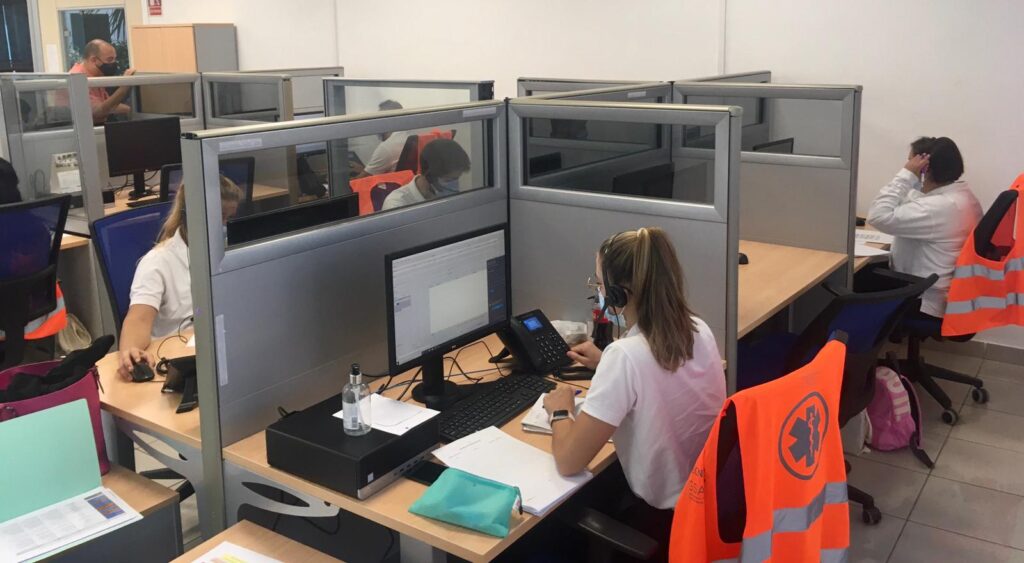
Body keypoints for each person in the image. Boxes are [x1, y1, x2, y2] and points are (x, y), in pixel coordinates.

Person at [542, 227, 726, 549]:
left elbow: (570, 461)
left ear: (619, 295)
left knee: (552, 523)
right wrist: (606, 363)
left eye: (600, 284)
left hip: (662, 522)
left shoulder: (625, 357)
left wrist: (560, 410)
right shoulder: (698, 329)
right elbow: (659, 372)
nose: (599, 291)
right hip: (703, 500)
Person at [116, 176, 242, 380]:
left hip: (220, 352)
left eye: (229, 217)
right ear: (193, 214)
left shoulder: (228, 252)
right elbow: (138, 319)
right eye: (219, 216)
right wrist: (131, 352)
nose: (224, 225)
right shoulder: (157, 262)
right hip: (176, 365)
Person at [867, 136, 982, 319]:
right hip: (936, 289)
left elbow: (878, 216)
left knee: (851, 280)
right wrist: (915, 180)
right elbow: (914, 201)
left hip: (921, 298)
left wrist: (906, 175)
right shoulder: (961, 196)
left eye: (910, 161)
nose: (908, 165)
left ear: (924, 169)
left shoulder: (939, 207)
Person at [381, 138, 469, 211]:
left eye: (456, 179)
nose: (454, 185)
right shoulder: (397, 205)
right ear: (428, 177)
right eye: (448, 180)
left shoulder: (448, 197)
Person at [68, 39, 137, 124]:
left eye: (114, 59)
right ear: (94, 60)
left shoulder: (96, 76)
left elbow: (109, 105)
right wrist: (124, 87)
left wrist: (131, 111)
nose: (113, 63)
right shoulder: (77, 79)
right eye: (109, 60)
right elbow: (99, 112)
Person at [353, 100, 409, 177]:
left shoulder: (387, 147)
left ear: (389, 122)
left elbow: (362, 178)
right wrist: (364, 169)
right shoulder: (404, 136)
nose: (376, 124)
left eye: (379, 120)